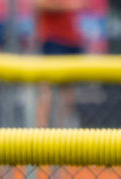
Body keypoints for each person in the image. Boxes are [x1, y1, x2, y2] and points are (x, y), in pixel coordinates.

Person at [33, 0, 87, 128]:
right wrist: (67, 6)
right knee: (47, 90)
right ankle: (40, 137)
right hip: (54, 40)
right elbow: (39, 4)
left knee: (68, 94)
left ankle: (62, 135)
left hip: (72, 41)